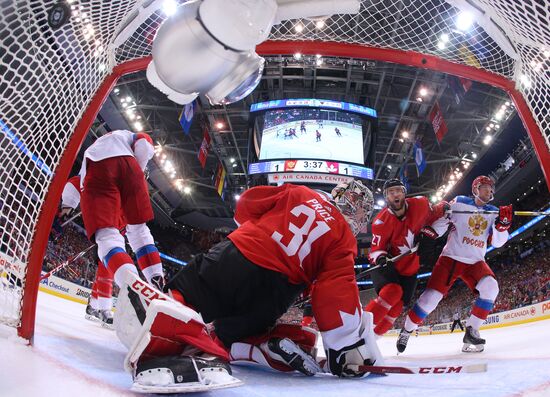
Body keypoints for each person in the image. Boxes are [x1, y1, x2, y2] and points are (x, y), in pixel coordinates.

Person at [113, 180, 385, 392]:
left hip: (236, 254)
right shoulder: (343, 239)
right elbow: (334, 295)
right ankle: (229, 348)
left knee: (186, 293)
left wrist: (258, 227)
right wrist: (344, 348)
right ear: (358, 215)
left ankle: (169, 314)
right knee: (235, 329)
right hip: (274, 290)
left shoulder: (300, 192)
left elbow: (246, 205)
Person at [397, 175, 512, 353]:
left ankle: (472, 330)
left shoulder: (494, 212)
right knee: (430, 300)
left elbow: (497, 243)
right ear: (475, 189)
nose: (490, 190)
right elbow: (444, 220)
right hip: (450, 258)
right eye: (485, 187)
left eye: (491, 187)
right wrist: (432, 232)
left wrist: (502, 227)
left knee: (491, 287)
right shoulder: (459, 203)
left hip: (475, 261)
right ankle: (407, 330)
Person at [78, 130, 165, 292]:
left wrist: (68, 205)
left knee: (107, 236)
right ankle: (158, 284)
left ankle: (132, 290)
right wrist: (136, 171)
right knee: (139, 231)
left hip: (97, 169)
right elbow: (144, 144)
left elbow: (79, 185)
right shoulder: (127, 134)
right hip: (130, 168)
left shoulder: (94, 149)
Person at [365, 179, 449, 336]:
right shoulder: (380, 221)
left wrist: (432, 230)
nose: (395, 194)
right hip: (388, 265)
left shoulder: (421, 204)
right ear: (386, 197)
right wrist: (382, 258)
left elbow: (440, 211)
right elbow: (376, 250)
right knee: (392, 292)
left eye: (398, 190)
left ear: (404, 193)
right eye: (391, 192)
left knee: (398, 307)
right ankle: (359, 332)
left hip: (410, 268)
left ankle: (374, 338)